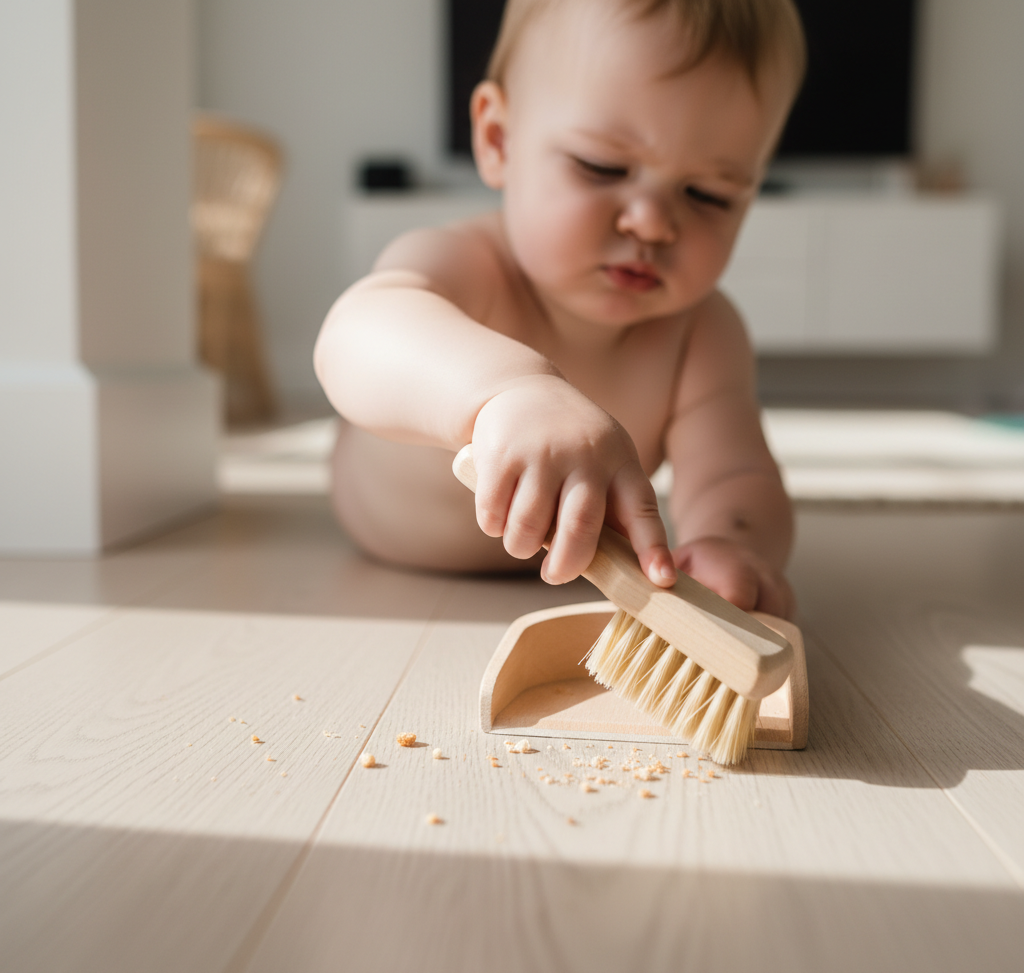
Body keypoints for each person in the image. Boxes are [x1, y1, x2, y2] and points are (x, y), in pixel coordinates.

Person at [315, 0, 805, 617]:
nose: (652, 223)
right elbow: (353, 335)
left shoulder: (700, 332)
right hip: (393, 540)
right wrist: (509, 392)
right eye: (602, 167)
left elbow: (736, 476)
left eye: (709, 195)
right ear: (498, 140)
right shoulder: (464, 262)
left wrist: (729, 547)